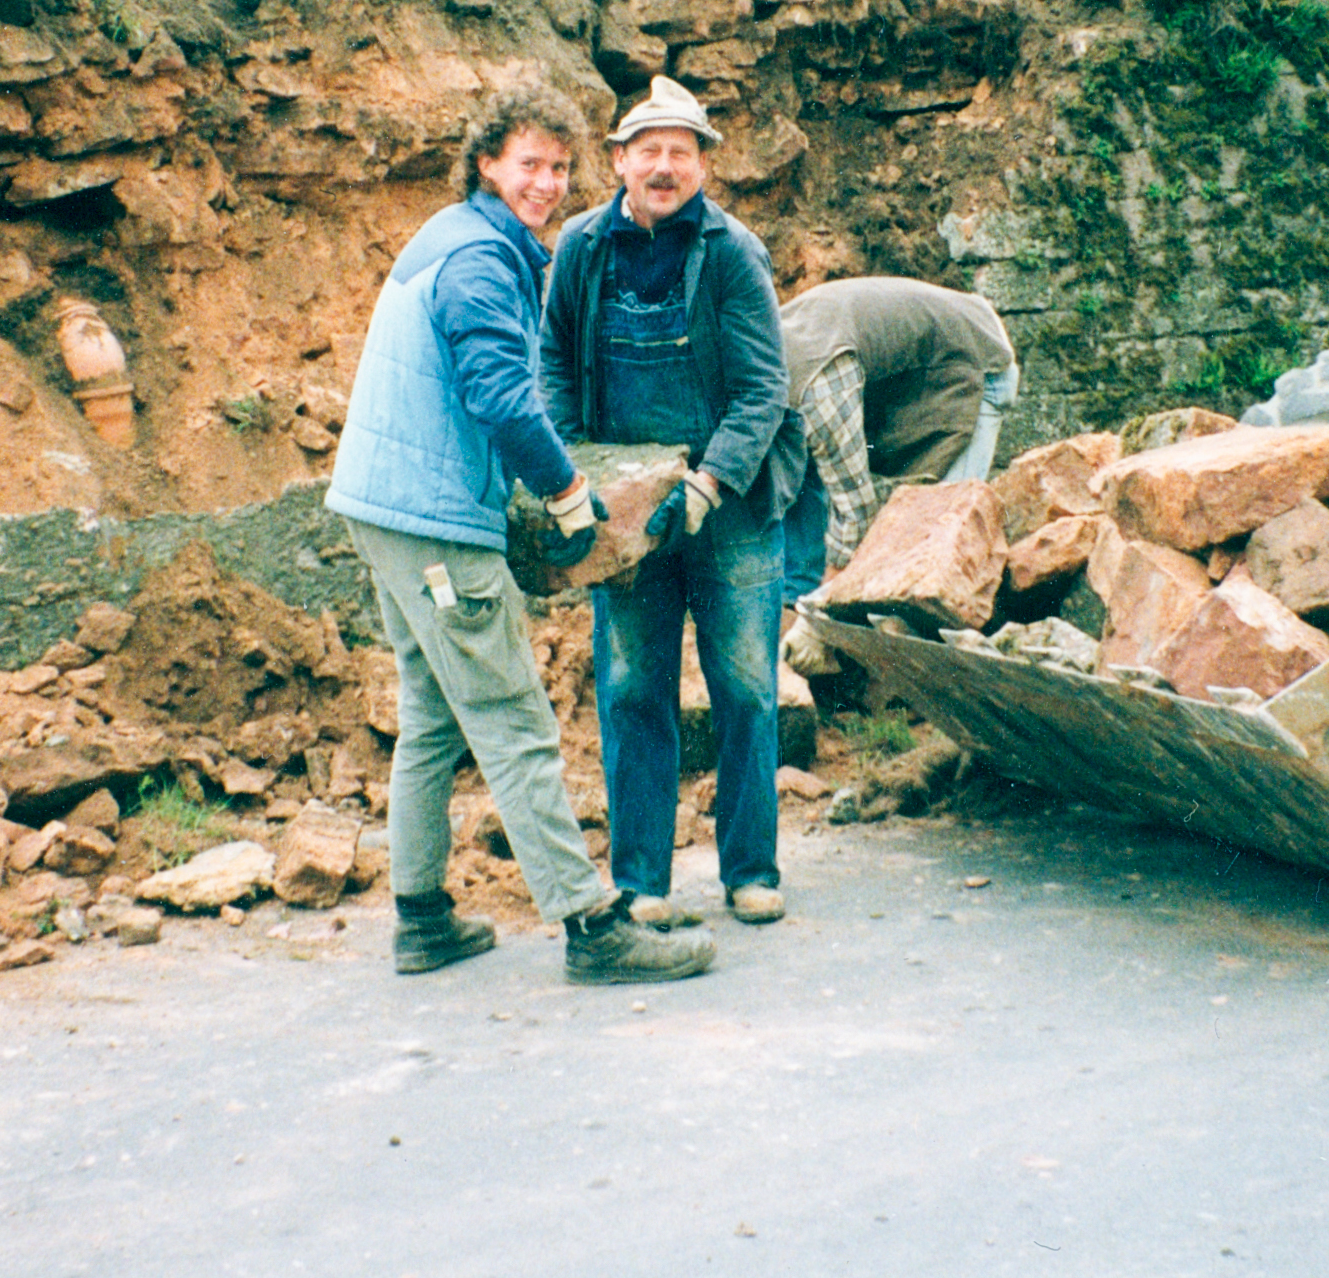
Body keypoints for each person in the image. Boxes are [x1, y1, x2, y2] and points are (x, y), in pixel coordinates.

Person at [327, 83, 718, 987]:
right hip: (432, 518)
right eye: (526, 164)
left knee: (430, 719)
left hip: (384, 507)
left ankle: (421, 918)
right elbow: (500, 395)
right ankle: (593, 930)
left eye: (555, 168)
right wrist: (572, 496)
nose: (543, 183)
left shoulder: (462, 235)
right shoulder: (477, 258)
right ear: (485, 163)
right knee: (512, 719)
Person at [543, 77, 804, 929]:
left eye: (680, 153)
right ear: (618, 160)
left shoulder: (732, 253)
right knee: (628, 688)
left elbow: (764, 387)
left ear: (702, 166)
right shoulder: (580, 248)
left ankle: (750, 870)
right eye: (647, 150)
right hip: (624, 518)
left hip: (726, 507)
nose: (663, 167)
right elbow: (551, 366)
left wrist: (708, 480)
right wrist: (576, 474)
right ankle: (643, 881)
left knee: (745, 689)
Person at [777, 277, 1021, 608]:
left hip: (976, 360)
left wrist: (826, 602)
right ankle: (796, 600)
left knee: (944, 535)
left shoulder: (815, 388)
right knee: (795, 463)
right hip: (911, 358)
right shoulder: (762, 353)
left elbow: (857, 508)